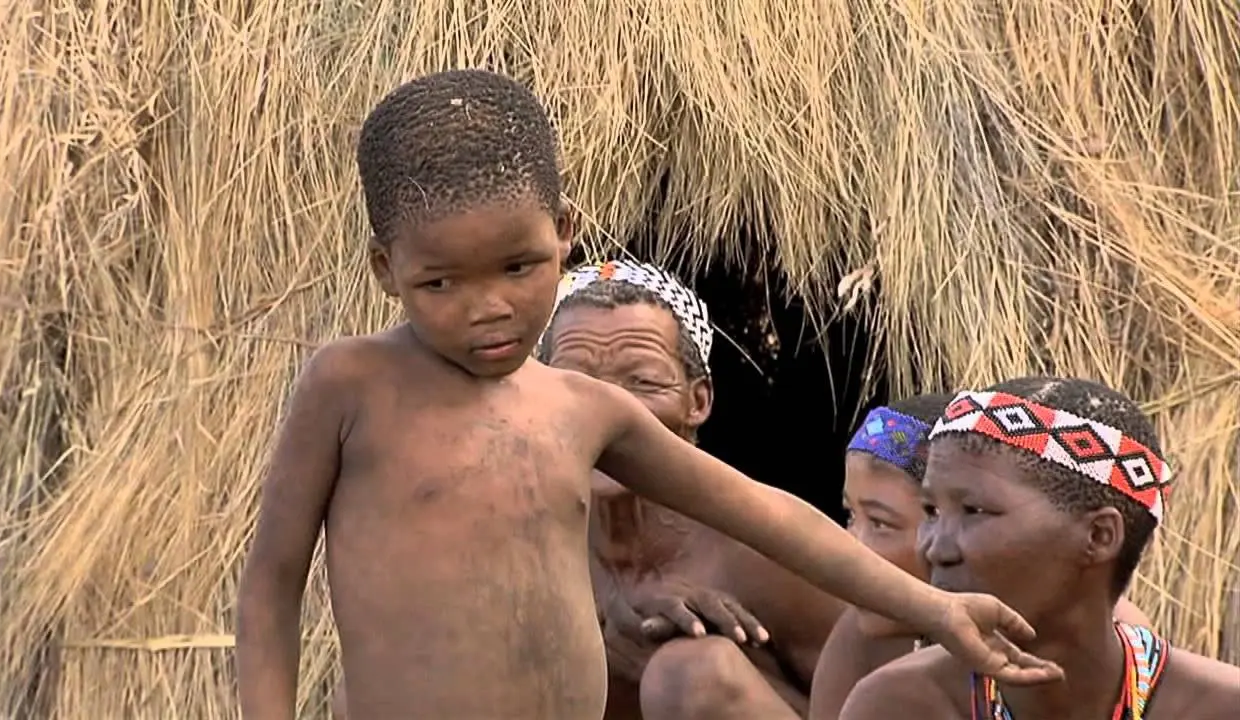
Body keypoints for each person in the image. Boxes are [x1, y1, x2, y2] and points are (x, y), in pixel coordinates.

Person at [234, 68, 1060, 720]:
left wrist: (936, 609)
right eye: (441, 281)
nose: (488, 306)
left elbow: (771, 516)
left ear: (564, 231)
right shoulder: (352, 385)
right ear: (387, 272)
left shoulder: (581, 411)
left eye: (519, 267)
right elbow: (272, 579)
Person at [538, 260, 847, 720]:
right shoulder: (519, 544)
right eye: (576, 381)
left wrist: (711, 683)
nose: (606, 409)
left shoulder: (765, 547)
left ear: (697, 401)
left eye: (641, 381)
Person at [839, 378, 1240, 720]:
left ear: (1099, 536)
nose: (934, 548)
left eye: (974, 510)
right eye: (931, 511)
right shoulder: (897, 705)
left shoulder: (1219, 707)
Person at [807, 393, 1153, 720]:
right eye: (850, 516)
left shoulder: (1110, 645)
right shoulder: (860, 636)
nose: (852, 544)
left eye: (881, 522)